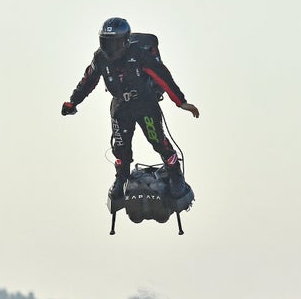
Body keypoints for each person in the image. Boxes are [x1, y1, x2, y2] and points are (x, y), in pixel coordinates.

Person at [61, 17, 199, 199]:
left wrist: (181, 102)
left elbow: (162, 75)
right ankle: (121, 177)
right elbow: (87, 80)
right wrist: (73, 102)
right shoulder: (100, 57)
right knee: (120, 146)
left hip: (145, 104)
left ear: (125, 41)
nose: (110, 48)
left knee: (157, 140)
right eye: (106, 42)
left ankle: (175, 173)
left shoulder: (138, 53)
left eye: (115, 43)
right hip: (120, 106)